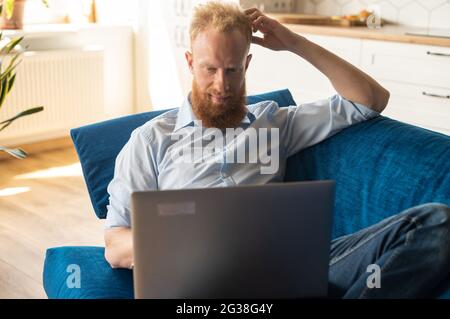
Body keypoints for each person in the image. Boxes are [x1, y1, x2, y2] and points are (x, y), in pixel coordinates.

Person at [104, 1, 450, 298]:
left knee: (437, 222)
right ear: (190, 63)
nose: (221, 85)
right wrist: (180, 248)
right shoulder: (151, 140)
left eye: (232, 70)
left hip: (285, 266)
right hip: (201, 281)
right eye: (209, 69)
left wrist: (294, 43)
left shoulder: (274, 122)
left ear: (247, 65)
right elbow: (115, 242)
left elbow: (369, 100)